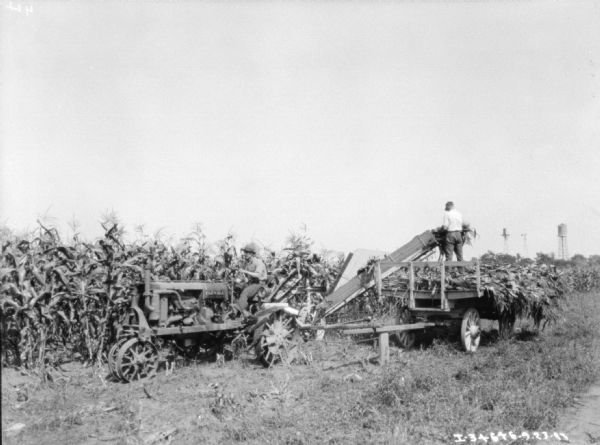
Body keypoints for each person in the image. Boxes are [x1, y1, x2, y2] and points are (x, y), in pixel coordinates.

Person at [236, 242, 267, 315]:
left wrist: (245, 272)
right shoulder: (247, 263)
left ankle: (238, 311)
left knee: (245, 292)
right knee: (236, 289)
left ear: (252, 254)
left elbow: (258, 275)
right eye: (244, 252)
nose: (245, 254)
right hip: (251, 283)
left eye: (247, 252)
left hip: (259, 284)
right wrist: (237, 281)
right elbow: (243, 277)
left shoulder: (259, 262)